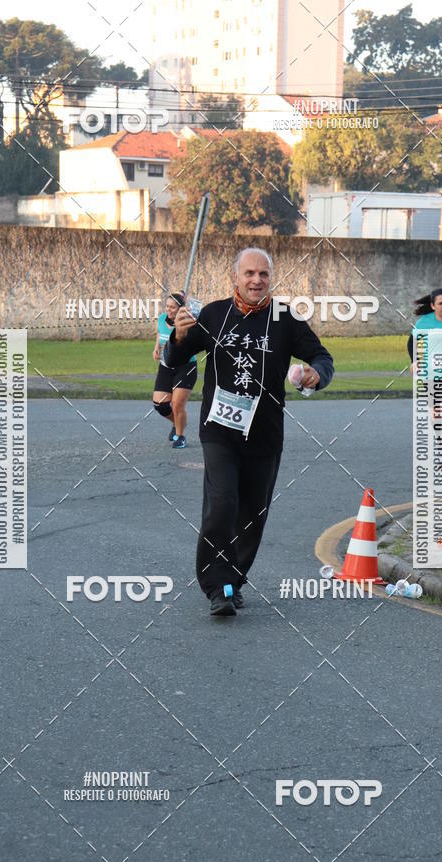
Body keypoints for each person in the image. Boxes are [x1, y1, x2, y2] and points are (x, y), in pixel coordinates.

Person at [166, 247, 334, 616]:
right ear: (235, 277)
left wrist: (316, 374)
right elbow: (175, 359)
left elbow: (322, 357)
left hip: (265, 434)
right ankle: (217, 586)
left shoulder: (285, 318)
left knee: (253, 515)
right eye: (249, 274)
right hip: (220, 429)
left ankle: (233, 580)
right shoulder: (213, 314)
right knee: (222, 504)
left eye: (264, 274)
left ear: (270, 279)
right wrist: (177, 338)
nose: (257, 280)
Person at [152, 291, 197, 449]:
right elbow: (159, 333)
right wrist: (156, 348)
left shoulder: (187, 322)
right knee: (160, 405)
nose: (168, 310)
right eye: (167, 306)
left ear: (180, 309)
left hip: (185, 367)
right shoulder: (162, 319)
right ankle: (177, 422)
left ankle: (181, 436)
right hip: (166, 366)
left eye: (172, 307)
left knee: (177, 404)